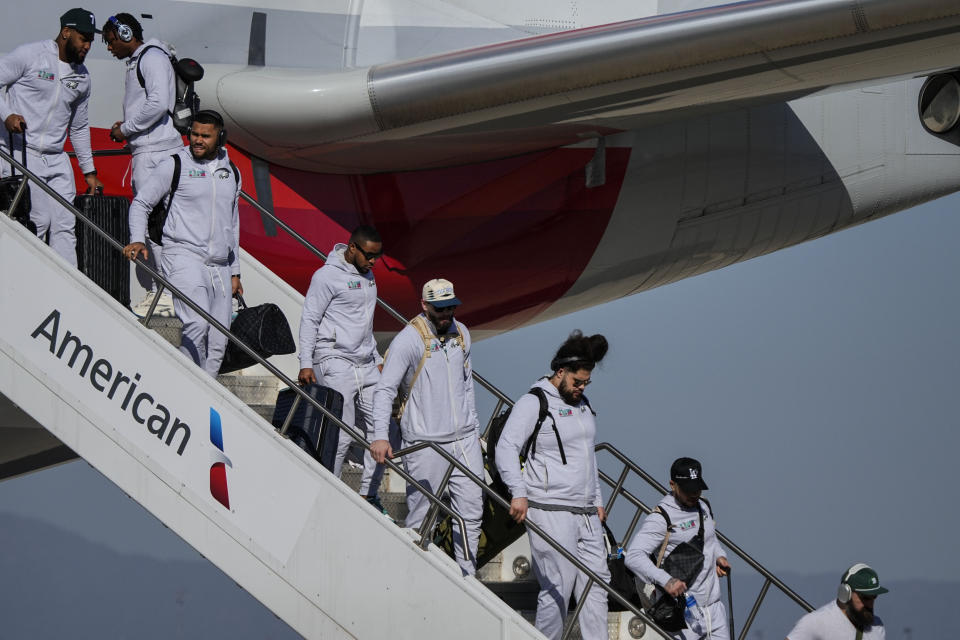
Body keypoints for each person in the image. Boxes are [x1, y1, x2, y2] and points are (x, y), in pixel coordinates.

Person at [495, 330, 611, 640]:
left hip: (585, 510)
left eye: (586, 383)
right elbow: (506, 447)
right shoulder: (534, 402)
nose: (581, 388)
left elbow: (588, 456)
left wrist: (597, 499)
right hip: (549, 508)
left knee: (597, 584)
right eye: (577, 382)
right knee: (559, 584)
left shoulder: (583, 404)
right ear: (561, 372)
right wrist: (518, 493)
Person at [370, 278, 482, 575]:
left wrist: (475, 428)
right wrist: (380, 436)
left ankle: (467, 580)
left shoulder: (462, 334)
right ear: (425, 305)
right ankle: (416, 576)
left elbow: (466, 386)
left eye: (451, 308)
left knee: (472, 512)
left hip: (465, 439)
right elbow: (384, 390)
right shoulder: (409, 339)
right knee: (423, 516)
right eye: (440, 309)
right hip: (426, 442)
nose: (446, 314)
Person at [122, 110, 242, 377]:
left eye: (205, 136)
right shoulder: (174, 164)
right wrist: (137, 239)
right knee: (196, 324)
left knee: (218, 342)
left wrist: (235, 271)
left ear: (220, 138)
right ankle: (187, 385)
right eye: (194, 134)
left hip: (220, 266)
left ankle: (204, 394)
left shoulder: (231, 171)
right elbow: (141, 203)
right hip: (183, 256)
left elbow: (232, 224)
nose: (197, 140)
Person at [297, 226, 392, 515]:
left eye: (378, 256)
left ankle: (367, 495)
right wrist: (305, 363)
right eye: (369, 255)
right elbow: (310, 319)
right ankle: (330, 492)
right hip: (334, 360)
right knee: (343, 433)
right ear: (352, 248)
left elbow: (364, 323)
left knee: (382, 432)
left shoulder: (369, 276)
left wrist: (375, 355)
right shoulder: (326, 276)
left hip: (365, 362)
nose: (373, 261)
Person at [0, 8, 104, 266]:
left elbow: (79, 127)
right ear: (66, 32)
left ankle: (67, 293)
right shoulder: (31, 55)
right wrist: (7, 114)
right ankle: (26, 284)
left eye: (91, 40)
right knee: (37, 222)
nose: (88, 45)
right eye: (83, 38)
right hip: (23, 152)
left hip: (57, 158)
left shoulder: (83, 77)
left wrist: (89, 171)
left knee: (65, 226)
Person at [103, 12, 182, 317]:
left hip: (154, 153)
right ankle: (166, 291)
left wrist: (126, 129)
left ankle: (164, 292)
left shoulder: (150, 58)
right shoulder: (147, 58)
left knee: (156, 226)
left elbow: (158, 103)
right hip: (151, 149)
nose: (109, 48)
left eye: (111, 41)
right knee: (159, 224)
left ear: (125, 34)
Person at [625, 458, 732, 639]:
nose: (694, 494)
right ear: (673, 485)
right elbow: (634, 556)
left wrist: (719, 557)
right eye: (688, 489)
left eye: (697, 488)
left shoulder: (703, 506)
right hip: (683, 613)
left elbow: (710, 538)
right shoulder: (660, 518)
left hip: (714, 609)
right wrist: (667, 581)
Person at [786, 563, 887, 639]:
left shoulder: (877, 626)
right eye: (865, 598)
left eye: (874, 597)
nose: (870, 604)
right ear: (845, 593)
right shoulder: (817, 622)